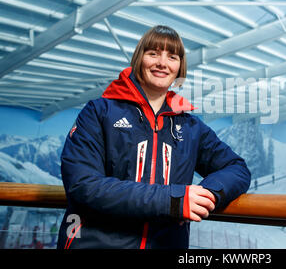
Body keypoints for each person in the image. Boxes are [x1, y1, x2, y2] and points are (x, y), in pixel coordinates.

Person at [57, 25, 251, 249]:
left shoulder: (189, 126)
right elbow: (83, 185)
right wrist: (174, 200)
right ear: (139, 58)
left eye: (172, 56)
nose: (162, 63)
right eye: (153, 53)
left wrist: (208, 193)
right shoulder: (99, 112)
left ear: (180, 67)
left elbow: (237, 168)